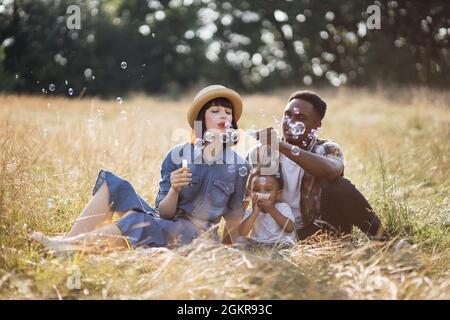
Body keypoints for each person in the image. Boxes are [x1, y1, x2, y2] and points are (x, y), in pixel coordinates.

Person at [30, 85, 251, 253]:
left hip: (196, 236)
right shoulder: (178, 155)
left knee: (138, 221)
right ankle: (65, 244)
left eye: (228, 112)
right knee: (114, 184)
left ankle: (68, 248)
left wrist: (225, 254)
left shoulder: (239, 166)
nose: (224, 116)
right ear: (201, 119)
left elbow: (232, 222)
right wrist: (174, 190)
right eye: (215, 110)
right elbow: (164, 213)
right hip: (169, 221)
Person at [249, 90, 388, 241]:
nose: (291, 122)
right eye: (288, 115)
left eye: (301, 118)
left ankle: (384, 241)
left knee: (339, 185)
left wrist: (282, 147)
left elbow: (331, 172)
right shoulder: (264, 152)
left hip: (319, 230)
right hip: (276, 233)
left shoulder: (326, 148)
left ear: (316, 125)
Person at [238, 167, 296, 248]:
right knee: (239, 240)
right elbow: (242, 232)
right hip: (258, 244)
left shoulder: (282, 207)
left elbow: (290, 228)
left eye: (268, 189)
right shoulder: (251, 211)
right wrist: (255, 213)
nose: (262, 194)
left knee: (287, 246)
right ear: (250, 193)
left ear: (278, 194)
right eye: (256, 189)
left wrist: (272, 210)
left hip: (279, 244)